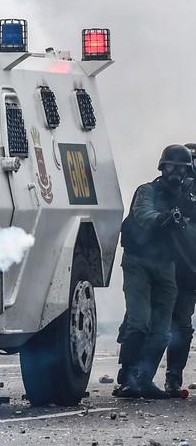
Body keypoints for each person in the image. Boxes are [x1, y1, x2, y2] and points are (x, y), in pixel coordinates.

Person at [114, 145, 194, 399]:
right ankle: (128, 377)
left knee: (163, 331)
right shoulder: (147, 191)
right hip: (139, 262)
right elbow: (143, 214)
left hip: (167, 266)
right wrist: (164, 218)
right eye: (171, 167)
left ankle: (144, 379)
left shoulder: (186, 198)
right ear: (162, 168)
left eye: (182, 169)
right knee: (139, 323)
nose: (176, 174)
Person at [165, 144, 196, 396]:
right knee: (179, 325)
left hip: (187, 267)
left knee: (181, 326)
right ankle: (172, 377)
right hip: (182, 268)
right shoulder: (172, 190)